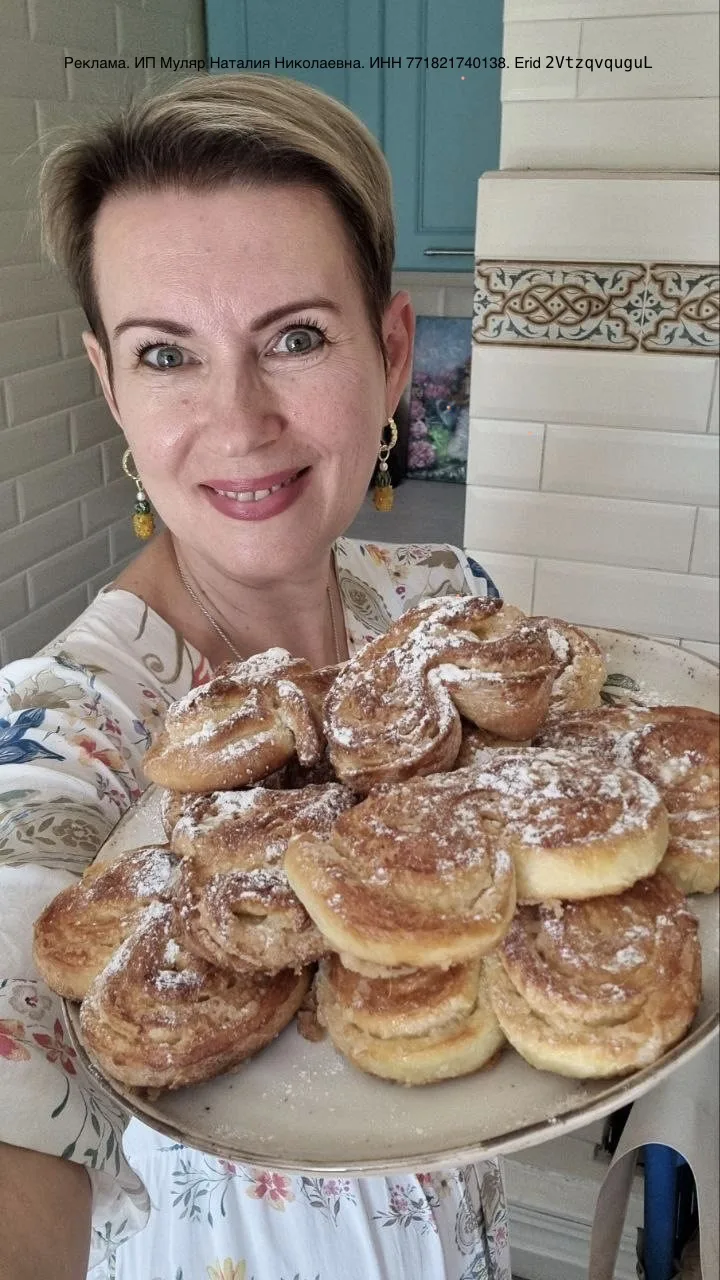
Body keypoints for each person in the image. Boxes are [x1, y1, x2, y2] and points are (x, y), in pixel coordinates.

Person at [0, 74, 508, 1280]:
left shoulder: (444, 604)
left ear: (392, 353)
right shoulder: (69, 722)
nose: (237, 421)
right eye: (167, 353)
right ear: (111, 386)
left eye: (295, 337)